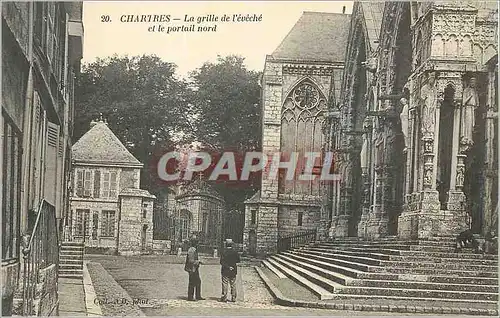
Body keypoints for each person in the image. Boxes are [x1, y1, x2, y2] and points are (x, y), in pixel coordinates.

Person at [184, 237, 204, 301]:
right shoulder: (191, 250)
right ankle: (190, 297)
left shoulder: (193, 249)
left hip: (194, 268)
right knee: (192, 282)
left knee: (198, 282)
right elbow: (191, 261)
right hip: (192, 268)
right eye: (197, 243)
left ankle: (198, 296)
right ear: (195, 244)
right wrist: (198, 261)